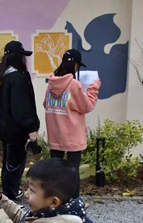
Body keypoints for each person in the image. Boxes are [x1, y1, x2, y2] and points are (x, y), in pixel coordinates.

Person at [0, 40, 40, 202]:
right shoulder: (16, 77)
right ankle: (10, 195)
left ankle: (8, 192)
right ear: (17, 58)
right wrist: (31, 128)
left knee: (9, 161)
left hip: (5, 129)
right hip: (16, 130)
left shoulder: (1, 75)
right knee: (15, 163)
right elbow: (21, 107)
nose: (24, 60)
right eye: (22, 56)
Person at [43, 48, 100, 197]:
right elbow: (87, 106)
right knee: (72, 171)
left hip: (55, 135)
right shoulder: (74, 85)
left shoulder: (51, 83)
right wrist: (93, 88)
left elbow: (45, 104)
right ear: (75, 65)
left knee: (56, 171)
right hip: (73, 135)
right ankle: (73, 202)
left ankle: (55, 201)